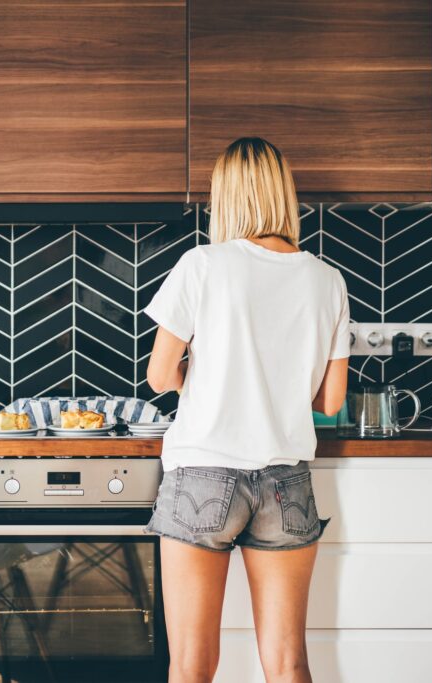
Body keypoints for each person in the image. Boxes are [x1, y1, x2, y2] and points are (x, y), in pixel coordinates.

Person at [144, 137, 350, 683]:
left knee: (192, 667)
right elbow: (330, 402)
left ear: (226, 198)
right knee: (287, 665)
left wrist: (211, 378)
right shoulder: (327, 279)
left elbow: (160, 375)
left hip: (203, 476)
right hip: (287, 483)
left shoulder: (202, 265)